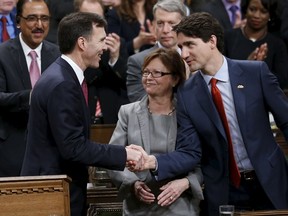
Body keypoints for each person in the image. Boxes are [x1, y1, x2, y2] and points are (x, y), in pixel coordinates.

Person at [20, 12, 143, 216]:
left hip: (56, 188)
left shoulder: (61, 75)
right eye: (101, 40)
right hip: (53, 192)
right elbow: (73, 147)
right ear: (82, 43)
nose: (105, 47)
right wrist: (124, 154)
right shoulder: (63, 84)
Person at [172, 12, 288, 215]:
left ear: (211, 41)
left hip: (270, 181)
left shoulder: (256, 73)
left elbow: (286, 121)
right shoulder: (185, 93)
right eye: (181, 47)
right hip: (226, 191)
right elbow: (189, 151)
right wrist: (155, 164)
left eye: (190, 44)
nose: (184, 54)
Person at [108, 48, 203, 216]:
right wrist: (133, 184)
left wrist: (186, 182)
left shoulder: (189, 114)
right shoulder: (127, 112)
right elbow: (113, 158)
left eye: (156, 73)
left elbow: (202, 160)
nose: (148, 78)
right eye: (145, 72)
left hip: (180, 203)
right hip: (138, 205)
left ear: (174, 79)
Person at [0, 0, 60, 177]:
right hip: (12, 149)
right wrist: (31, 96)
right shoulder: (2, 54)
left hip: (51, 151)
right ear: (18, 21)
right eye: (32, 18)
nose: (39, 25)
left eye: (44, 19)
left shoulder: (58, 55)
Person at [74, 0, 129, 124]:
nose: (93, 25)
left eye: (98, 19)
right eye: (87, 19)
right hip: (81, 116)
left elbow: (128, 82)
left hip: (112, 118)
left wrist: (114, 58)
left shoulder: (117, 43)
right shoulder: (69, 45)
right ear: (76, 17)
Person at [127, 0, 187, 102]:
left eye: (172, 24)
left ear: (184, 24)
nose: (165, 30)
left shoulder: (194, 58)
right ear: (153, 24)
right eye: (160, 23)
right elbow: (139, 102)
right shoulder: (138, 61)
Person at [224, 0, 288, 89]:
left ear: (270, 15)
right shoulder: (228, 37)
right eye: (252, 9)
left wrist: (260, 69)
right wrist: (248, 66)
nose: (257, 15)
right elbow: (219, 71)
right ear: (245, 11)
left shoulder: (277, 44)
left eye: (263, 11)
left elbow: (283, 81)